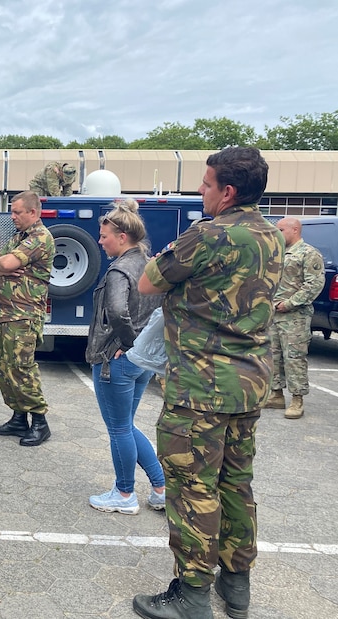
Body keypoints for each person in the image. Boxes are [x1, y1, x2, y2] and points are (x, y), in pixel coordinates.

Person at [133, 147, 284, 619]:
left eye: (206, 183)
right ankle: (235, 589)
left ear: (228, 191)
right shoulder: (272, 236)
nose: (201, 190)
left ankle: (192, 596)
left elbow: (148, 282)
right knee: (236, 484)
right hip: (249, 383)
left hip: (201, 388)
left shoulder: (209, 235)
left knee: (193, 486)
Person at [85, 198, 165, 515]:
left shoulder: (119, 270)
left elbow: (118, 311)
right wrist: (141, 345)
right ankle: (160, 488)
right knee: (127, 426)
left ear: (122, 236)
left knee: (118, 429)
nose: (100, 240)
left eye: (104, 235)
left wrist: (128, 342)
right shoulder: (149, 266)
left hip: (117, 360)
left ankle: (124, 493)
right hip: (142, 362)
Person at [0, 190, 54, 446]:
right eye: (12, 211)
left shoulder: (40, 237)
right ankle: (19, 417)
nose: (12, 216)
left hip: (24, 315)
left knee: (22, 367)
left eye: (17, 212)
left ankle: (39, 421)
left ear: (33, 213)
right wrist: (2, 264)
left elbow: (4, 265)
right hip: (7, 314)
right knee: (4, 367)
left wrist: (4, 265)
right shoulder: (18, 238)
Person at [264, 217, 325, 419]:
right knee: (273, 356)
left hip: (295, 316)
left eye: (280, 229)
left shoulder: (308, 253)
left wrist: (289, 303)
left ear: (295, 229)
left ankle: (297, 399)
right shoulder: (279, 253)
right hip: (274, 313)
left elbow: (314, 284)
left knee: (294, 358)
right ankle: (276, 394)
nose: (277, 233)